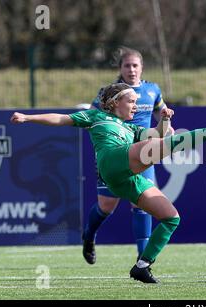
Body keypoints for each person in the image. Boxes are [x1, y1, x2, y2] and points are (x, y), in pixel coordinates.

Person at [10, 83, 206, 283]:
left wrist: (163, 121)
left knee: (171, 217)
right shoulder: (96, 116)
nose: (136, 105)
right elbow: (61, 118)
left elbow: (158, 136)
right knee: (152, 150)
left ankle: (142, 266)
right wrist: (28, 117)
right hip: (111, 162)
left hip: (124, 178)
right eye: (131, 101)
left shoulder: (131, 128)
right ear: (114, 103)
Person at [83, 47, 173, 265]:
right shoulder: (109, 93)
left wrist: (167, 125)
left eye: (135, 65)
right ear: (120, 68)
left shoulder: (152, 90)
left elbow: (161, 112)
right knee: (106, 207)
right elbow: (93, 116)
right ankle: (89, 236)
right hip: (116, 154)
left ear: (142, 67)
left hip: (143, 154)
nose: (131, 69)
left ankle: (143, 257)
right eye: (127, 65)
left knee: (143, 203)